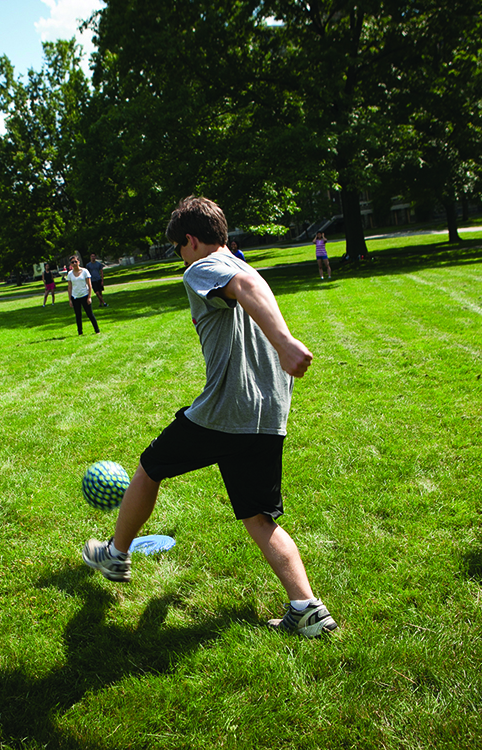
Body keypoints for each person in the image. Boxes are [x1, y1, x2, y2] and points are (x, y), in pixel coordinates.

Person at [81, 196, 335, 638]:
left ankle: (115, 553)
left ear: (192, 241)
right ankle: (307, 608)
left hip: (224, 411)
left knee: (148, 468)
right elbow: (248, 287)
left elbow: (245, 291)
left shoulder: (204, 267)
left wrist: (285, 342)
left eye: (179, 248)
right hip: (266, 413)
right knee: (259, 516)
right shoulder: (244, 264)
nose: (181, 256)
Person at [67, 256, 100, 335]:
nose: (74, 263)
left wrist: (89, 297)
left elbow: (89, 284)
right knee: (78, 315)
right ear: (70, 264)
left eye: (75, 261)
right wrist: (70, 300)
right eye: (72, 262)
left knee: (90, 314)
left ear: (79, 262)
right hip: (75, 297)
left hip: (85, 295)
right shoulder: (70, 274)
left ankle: (97, 330)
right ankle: (80, 332)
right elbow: (69, 287)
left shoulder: (85, 271)